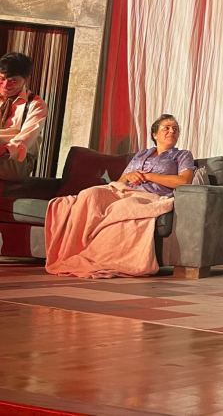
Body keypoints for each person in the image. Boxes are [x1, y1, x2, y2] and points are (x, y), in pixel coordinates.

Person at [45, 114, 194, 277]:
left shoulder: (182, 155)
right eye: (167, 128)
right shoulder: (141, 154)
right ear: (155, 134)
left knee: (123, 207)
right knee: (90, 194)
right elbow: (121, 180)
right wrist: (129, 176)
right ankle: (76, 248)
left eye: (175, 129)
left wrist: (149, 176)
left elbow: (184, 181)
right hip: (123, 190)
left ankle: (98, 257)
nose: (172, 131)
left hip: (151, 195)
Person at [0, 52, 48, 180]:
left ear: (26, 79)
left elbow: (23, 141)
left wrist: (4, 149)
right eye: (1, 79)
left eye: (13, 81)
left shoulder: (36, 105)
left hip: (17, 160)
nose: (5, 86)